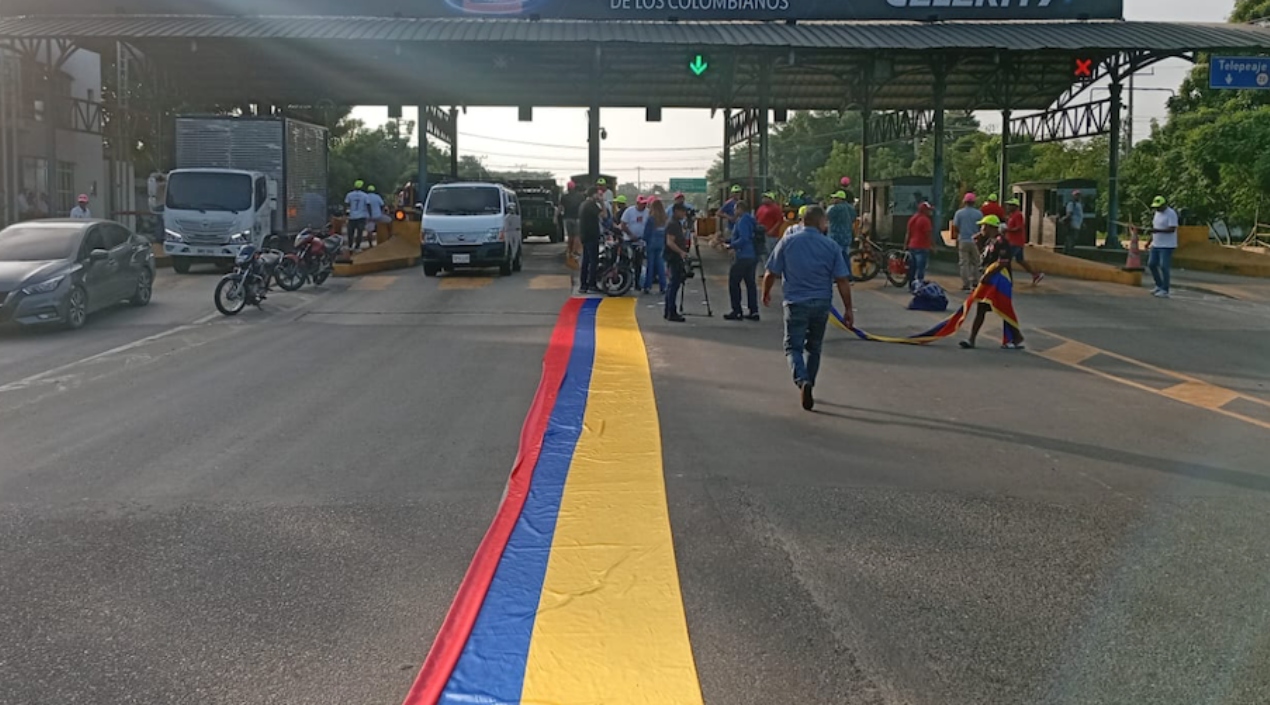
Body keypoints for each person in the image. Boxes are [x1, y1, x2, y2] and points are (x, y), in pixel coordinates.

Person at [763, 206, 854, 412]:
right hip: (822, 303)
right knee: (814, 348)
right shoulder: (831, 246)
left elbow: (771, 272)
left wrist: (765, 292)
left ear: (802, 221)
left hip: (795, 303)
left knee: (793, 347)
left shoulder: (787, 241)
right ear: (821, 222)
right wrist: (848, 308)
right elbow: (842, 280)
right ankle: (809, 383)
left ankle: (802, 380)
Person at [961, 214, 1025, 351]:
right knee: (982, 308)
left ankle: (1015, 337)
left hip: (999, 280)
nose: (981, 228)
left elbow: (1002, 262)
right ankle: (971, 339)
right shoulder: (990, 242)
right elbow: (985, 260)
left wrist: (988, 275)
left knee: (1003, 309)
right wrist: (978, 244)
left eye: (983, 226)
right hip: (990, 279)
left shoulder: (1001, 241)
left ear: (990, 227)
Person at [725, 201, 760, 322]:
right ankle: (754, 310)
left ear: (740, 209)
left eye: (735, 209)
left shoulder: (743, 220)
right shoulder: (751, 219)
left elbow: (744, 238)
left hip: (743, 255)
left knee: (734, 282)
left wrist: (732, 245)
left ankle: (737, 310)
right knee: (750, 283)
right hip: (752, 255)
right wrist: (728, 240)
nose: (734, 212)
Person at [1145, 195, 1179, 299]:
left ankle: (1165, 289)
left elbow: (1172, 229)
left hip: (1167, 245)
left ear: (1164, 204)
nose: (1157, 209)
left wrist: (1156, 231)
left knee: (1164, 266)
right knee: (1151, 264)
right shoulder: (1157, 213)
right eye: (1156, 207)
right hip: (1156, 243)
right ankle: (1159, 285)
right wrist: (1149, 241)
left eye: (1159, 207)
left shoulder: (1171, 213)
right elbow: (1155, 228)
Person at [1004, 198, 1044, 285]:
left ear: (1015, 206)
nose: (1008, 207)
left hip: (1015, 242)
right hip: (1014, 241)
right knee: (1020, 260)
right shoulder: (1012, 215)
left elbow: (1018, 227)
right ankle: (1036, 274)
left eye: (1010, 205)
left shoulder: (1018, 215)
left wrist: (1007, 229)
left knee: (1006, 260)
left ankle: (1008, 279)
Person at [664, 202, 691, 322]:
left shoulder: (676, 224)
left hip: (674, 256)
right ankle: (671, 311)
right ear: (676, 211)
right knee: (674, 284)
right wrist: (681, 252)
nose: (684, 214)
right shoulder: (672, 224)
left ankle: (668, 310)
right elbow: (670, 242)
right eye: (683, 211)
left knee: (673, 284)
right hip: (673, 256)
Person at [952, 194, 984, 291]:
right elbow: (981, 228)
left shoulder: (959, 213)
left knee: (964, 263)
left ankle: (965, 283)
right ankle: (975, 282)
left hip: (963, 240)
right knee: (976, 262)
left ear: (964, 202)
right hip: (975, 241)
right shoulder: (979, 213)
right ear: (974, 202)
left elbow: (955, 226)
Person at [578, 186, 604, 294]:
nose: (599, 196)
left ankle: (583, 285)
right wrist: (602, 203)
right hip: (592, 236)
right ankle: (592, 284)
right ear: (593, 194)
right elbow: (604, 215)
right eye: (598, 194)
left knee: (586, 260)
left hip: (584, 236)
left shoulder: (583, 204)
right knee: (593, 261)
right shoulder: (591, 205)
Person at [643, 199, 669, 294]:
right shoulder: (665, 218)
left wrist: (644, 240)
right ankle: (663, 286)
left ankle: (648, 286)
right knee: (661, 265)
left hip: (651, 243)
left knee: (650, 265)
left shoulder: (651, 218)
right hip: (661, 243)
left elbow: (646, 233)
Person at [906, 201, 934, 284]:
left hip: (912, 246)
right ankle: (919, 284)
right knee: (921, 267)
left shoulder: (912, 219)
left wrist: (905, 245)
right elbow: (928, 234)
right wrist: (933, 245)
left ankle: (911, 284)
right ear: (924, 210)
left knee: (912, 267)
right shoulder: (925, 220)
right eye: (928, 210)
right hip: (922, 247)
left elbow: (908, 233)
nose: (930, 212)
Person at [826, 189, 857, 263]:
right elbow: (853, 219)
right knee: (845, 258)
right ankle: (846, 273)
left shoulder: (835, 209)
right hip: (847, 237)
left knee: (835, 259)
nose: (833, 199)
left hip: (835, 237)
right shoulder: (851, 208)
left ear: (839, 199)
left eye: (835, 198)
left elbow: (826, 217)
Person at [560, 181, 586, 266]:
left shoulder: (564, 197)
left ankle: (570, 251)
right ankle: (575, 252)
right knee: (577, 236)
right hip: (578, 218)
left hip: (568, 218)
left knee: (570, 236)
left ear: (568, 188)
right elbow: (584, 207)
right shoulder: (581, 196)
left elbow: (560, 207)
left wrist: (555, 218)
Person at [756, 191, 784, 255]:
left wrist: (772, 230)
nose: (763, 199)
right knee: (763, 253)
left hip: (771, 236)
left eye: (766, 197)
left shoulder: (775, 208)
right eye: (763, 197)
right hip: (761, 234)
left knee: (770, 253)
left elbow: (780, 221)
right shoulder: (761, 207)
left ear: (771, 198)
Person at [345, 180, 369, 251]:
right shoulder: (365, 195)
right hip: (361, 217)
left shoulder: (349, 194)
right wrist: (369, 215)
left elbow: (346, 204)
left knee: (350, 232)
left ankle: (350, 246)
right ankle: (357, 247)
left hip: (352, 216)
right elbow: (368, 205)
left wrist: (345, 214)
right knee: (359, 232)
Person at [1060, 190, 1085, 255]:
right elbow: (1069, 214)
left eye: (1079, 195)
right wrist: (1064, 219)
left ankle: (1069, 250)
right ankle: (1068, 251)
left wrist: (1082, 223)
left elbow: (1080, 215)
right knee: (1071, 237)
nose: (1078, 197)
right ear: (1073, 196)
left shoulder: (1079, 204)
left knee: (1073, 238)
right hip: (1072, 223)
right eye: (1076, 195)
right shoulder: (1071, 204)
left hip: (1077, 224)